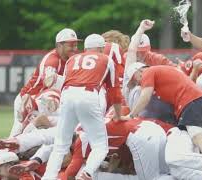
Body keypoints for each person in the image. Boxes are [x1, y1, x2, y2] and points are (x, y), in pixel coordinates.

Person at [42, 34, 123, 180]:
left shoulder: (72, 59)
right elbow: (115, 93)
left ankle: (48, 177)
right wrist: (118, 114)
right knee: (100, 146)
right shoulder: (106, 59)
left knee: (60, 145)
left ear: (85, 48)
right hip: (88, 94)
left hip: (67, 95)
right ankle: (87, 173)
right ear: (101, 48)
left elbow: (66, 82)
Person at [11, 28, 81, 137]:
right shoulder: (51, 60)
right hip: (29, 100)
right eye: (71, 45)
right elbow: (49, 84)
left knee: (44, 136)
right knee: (19, 135)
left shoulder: (71, 59)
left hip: (45, 102)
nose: (74, 48)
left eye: (75, 45)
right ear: (59, 45)